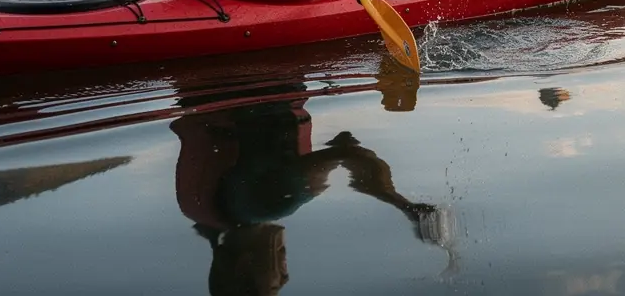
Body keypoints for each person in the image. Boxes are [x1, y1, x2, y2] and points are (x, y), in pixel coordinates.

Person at [172, 77, 451, 296]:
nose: (286, 276)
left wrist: (402, 204)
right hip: (220, 84)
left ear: (244, 265)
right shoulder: (201, 214)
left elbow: (347, 149)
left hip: (272, 73)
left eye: (274, 286)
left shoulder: (272, 202)